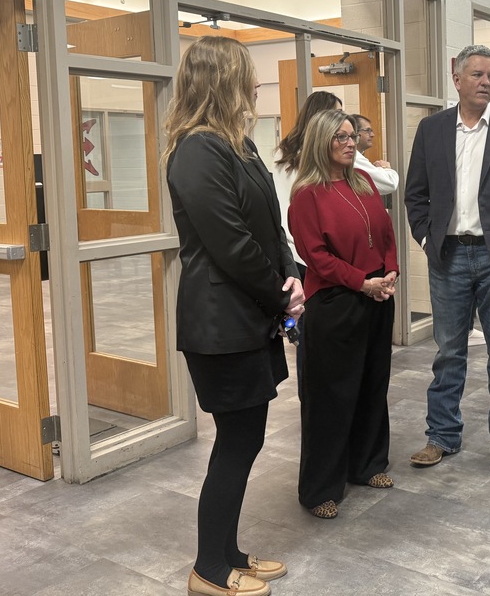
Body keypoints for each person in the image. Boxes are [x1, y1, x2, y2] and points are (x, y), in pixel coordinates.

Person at [164, 37, 304, 596]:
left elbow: (269, 228)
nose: (255, 85)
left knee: (245, 439)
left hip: (249, 315)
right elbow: (231, 245)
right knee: (236, 440)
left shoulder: (239, 144)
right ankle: (208, 569)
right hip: (221, 323)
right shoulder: (197, 151)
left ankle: (228, 551)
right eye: (247, 76)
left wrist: (290, 272)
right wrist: (279, 293)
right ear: (221, 80)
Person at [405, 43, 490, 477]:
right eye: (478, 75)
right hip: (447, 256)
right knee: (448, 352)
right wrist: (429, 240)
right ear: (458, 78)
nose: (486, 82)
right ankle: (442, 436)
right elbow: (416, 195)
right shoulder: (432, 131)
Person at [288, 109, 398, 519]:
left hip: (376, 297)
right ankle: (320, 488)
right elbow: (313, 256)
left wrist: (390, 272)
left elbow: (386, 234)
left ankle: (367, 464)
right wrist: (361, 281)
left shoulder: (364, 181)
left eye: (352, 136)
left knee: (373, 383)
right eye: (341, 138)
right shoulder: (306, 195)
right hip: (336, 301)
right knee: (331, 396)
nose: (351, 143)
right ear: (321, 142)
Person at [272, 90, 344, 396]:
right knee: (315, 334)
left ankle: (312, 395)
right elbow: (388, 181)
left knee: (302, 328)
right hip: (311, 255)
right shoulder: (316, 159)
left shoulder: (282, 155)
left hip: (291, 253)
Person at [351, 113, 399, 194]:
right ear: (355, 133)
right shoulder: (354, 157)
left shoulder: (357, 156)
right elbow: (390, 183)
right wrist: (386, 168)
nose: (372, 135)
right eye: (368, 131)